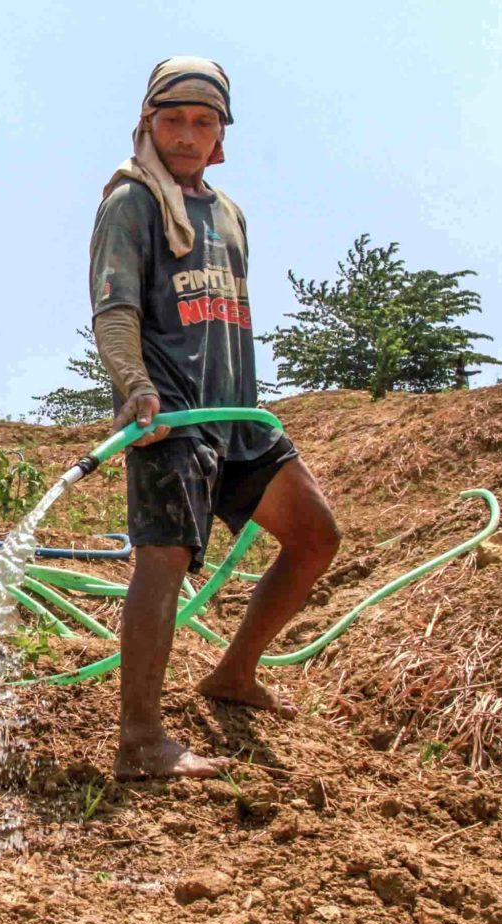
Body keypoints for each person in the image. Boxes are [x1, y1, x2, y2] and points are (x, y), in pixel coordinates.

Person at [88, 57, 341, 780]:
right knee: (163, 562)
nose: (188, 134)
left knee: (316, 536)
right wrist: (136, 389)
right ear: (148, 123)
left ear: (221, 133)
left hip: (237, 414)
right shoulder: (131, 202)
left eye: (204, 122)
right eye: (173, 120)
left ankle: (233, 674)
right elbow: (115, 309)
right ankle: (140, 739)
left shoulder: (227, 214)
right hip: (171, 413)